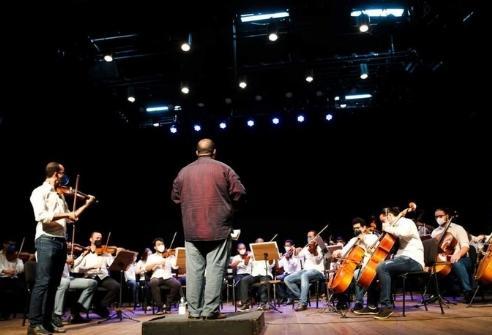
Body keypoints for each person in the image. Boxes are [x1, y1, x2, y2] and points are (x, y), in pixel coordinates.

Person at [171, 138, 246, 320]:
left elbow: (175, 197)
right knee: (215, 270)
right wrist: (229, 208)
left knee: (194, 271)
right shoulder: (223, 168)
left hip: (192, 229)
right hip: (218, 228)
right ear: (214, 152)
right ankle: (210, 311)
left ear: (196, 152)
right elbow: (240, 193)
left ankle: (194, 311)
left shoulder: (183, 172)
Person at [28, 162, 95, 335]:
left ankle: (47, 322)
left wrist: (86, 205)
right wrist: (67, 214)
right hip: (46, 240)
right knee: (43, 282)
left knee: (54, 285)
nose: (65, 177)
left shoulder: (60, 196)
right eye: (63, 173)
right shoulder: (39, 192)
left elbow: (71, 218)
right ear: (56, 174)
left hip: (60, 241)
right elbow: (41, 216)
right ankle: (34, 324)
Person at [354, 207, 424, 320]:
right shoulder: (393, 227)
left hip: (413, 259)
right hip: (401, 259)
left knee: (382, 267)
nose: (383, 223)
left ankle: (386, 306)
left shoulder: (407, 222)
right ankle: (372, 306)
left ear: (390, 216)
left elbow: (403, 233)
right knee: (372, 270)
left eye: (384, 220)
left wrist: (387, 227)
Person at [431, 208, 474, 302]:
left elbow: (465, 246)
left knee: (456, 263)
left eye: (441, 216)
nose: (438, 218)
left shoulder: (458, 228)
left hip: (463, 259)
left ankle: (468, 291)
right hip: (443, 259)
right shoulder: (435, 232)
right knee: (431, 266)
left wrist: (458, 254)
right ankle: (435, 293)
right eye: (436, 217)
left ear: (447, 216)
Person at [284, 230, 325, 311]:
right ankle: (302, 297)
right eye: (307, 237)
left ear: (316, 237)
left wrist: (314, 251)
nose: (308, 238)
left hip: (318, 271)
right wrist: (295, 251)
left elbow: (317, 261)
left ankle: (303, 303)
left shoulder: (321, 247)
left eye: (310, 237)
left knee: (304, 275)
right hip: (306, 270)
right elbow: (297, 256)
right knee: (287, 279)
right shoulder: (306, 248)